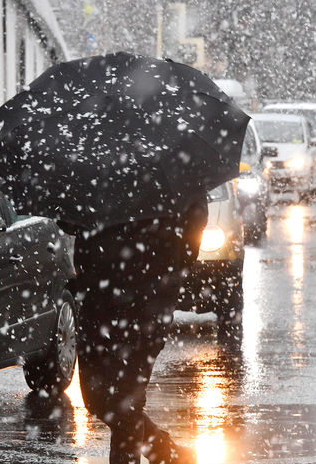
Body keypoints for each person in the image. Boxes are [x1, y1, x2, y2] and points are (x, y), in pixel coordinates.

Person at [72, 195, 208, 464]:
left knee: (127, 402)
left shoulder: (171, 171)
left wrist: (171, 273)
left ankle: (144, 455)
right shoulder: (97, 165)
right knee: (96, 399)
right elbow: (69, 221)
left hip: (147, 304)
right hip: (98, 303)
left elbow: (195, 224)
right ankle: (164, 450)